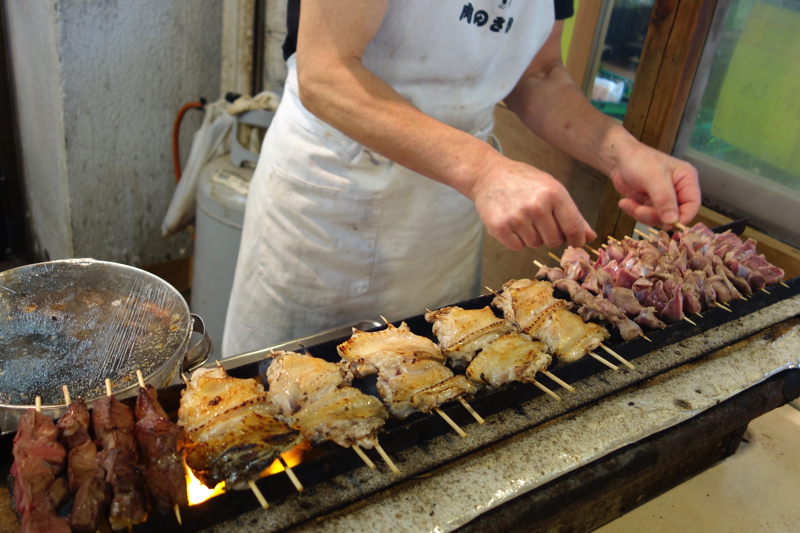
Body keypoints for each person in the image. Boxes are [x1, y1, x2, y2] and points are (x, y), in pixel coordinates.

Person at [221, 0, 700, 358]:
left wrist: (622, 153)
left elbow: (540, 72)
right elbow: (326, 72)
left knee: (429, 396)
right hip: (334, 196)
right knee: (282, 415)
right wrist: (484, 170)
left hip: (447, 210)